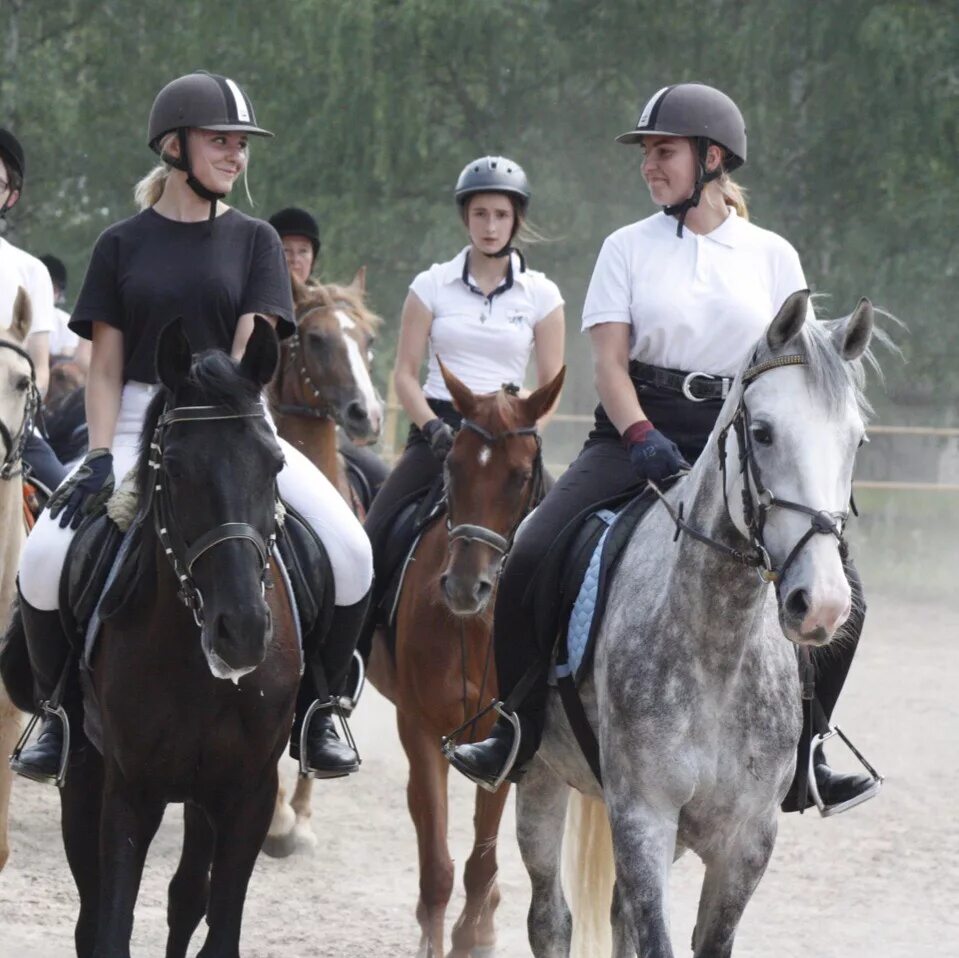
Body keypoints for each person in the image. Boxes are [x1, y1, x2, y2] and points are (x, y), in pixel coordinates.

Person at [450, 84, 877, 814]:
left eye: (663, 152)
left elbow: (804, 367)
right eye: (646, 153)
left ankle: (808, 747)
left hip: (743, 439)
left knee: (849, 594)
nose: (650, 165)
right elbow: (608, 365)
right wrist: (641, 435)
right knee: (531, 550)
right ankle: (514, 727)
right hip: (634, 429)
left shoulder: (771, 254)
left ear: (711, 160)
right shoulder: (627, 247)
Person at [11, 71, 373, 786]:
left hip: (234, 418)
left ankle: (320, 706)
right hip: (139, 413)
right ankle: (53, 713)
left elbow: (250, 347)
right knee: (43, 557)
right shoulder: (121, 244)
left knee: (351, 548)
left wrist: (225, 425)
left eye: (241, 144)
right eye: (222, 141)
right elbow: (106, 368)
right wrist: (103, 458)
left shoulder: (256, 241)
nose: (237, 155)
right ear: (175, 147)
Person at [357, 155, 566, 659]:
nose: (490, 226)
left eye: (500, 214)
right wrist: (431, 428)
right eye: (479, 214)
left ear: (516, 218)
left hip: (511, 438)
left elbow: (550, 385)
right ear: (465, 218)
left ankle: (563, 670)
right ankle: (345, 668)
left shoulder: (542, 295)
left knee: (564, 543)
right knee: (368, 544)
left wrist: (527, 437)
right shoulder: (430, 286)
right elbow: (406, 373)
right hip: (443, 435)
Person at [268, 205, 389, 500]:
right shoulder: (251, 301)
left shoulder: (323, 312)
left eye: (303, 251)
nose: (295, 260)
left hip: (320, 431)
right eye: (286, 251)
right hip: (261, 426)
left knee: (380, 479)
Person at [0, 128, 68, 492]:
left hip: (11, 428)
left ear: (11, 196)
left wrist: (16, 407)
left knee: (69, 511)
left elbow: (39, 366)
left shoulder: (30, 271)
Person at [39, 254, 89, 368]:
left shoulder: (68, 324)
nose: (45, 292)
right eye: (42, 286)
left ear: (59, 293)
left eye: (53, 288)